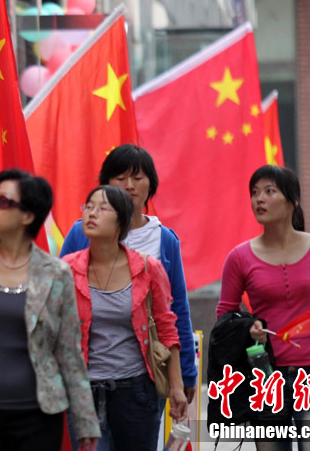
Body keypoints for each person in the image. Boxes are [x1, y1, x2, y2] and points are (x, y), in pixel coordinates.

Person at [0, 169, 100, 451]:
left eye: (3, 202)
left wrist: (85, 422)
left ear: (27, 216)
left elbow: (69, 350)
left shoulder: (56, 273)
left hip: (38, 416)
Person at [217, 165, 310, 450]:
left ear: (293, 201)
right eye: (255, 192)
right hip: (265, 374)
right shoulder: (239, 257)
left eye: (269, 191)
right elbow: (225, 316)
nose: (259, 199)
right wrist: (247, 328)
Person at [60, 144, 198, 404]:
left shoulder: (164, 240)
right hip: (84, 372)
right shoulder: (81, 233)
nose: (129, 186)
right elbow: (57, 298)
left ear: (151, 184)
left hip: (145, 374)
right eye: (120, 178)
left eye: (137, 178)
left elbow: (176, 309)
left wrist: (186, 373)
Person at [64, 185, 188, 451]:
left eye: (102, 208)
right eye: (88, 206)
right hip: (84, 393)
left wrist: (177, 386)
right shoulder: (66, 270)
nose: (91, 213)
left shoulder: (148, 268)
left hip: (136, 394)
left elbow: (167, 329)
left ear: (122, 220)